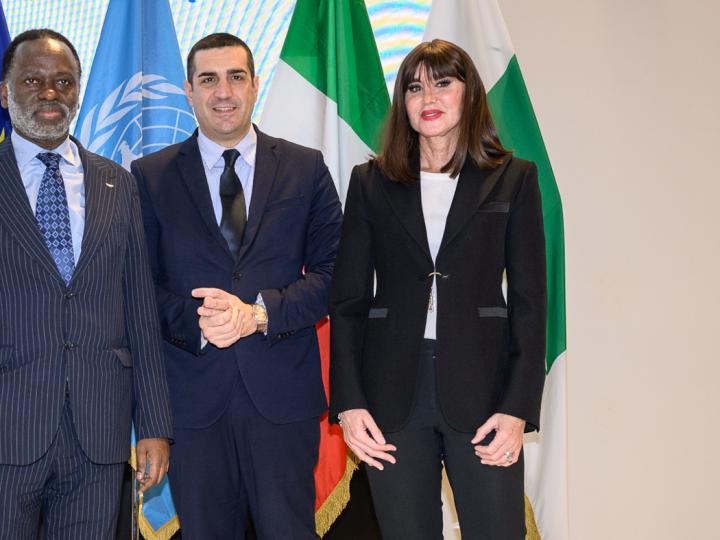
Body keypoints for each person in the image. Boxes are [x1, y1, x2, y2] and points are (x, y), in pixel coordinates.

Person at [0, 29, 172, 539]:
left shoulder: (118, 184)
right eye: (32, 80)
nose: (50, 92)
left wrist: (154, 425)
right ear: (5, 92)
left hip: (98, 434)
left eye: (64, 81)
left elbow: (141, 313)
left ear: (77, 91)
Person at [329, 39, 547, 539]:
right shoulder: (370, 181)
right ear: (402, 103)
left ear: (469, 94)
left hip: (486, 392)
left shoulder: (513, 178)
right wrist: (349, 403)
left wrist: (517, 407)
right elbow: (347, 303)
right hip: (390, 396)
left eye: (443, 83)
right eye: (414, 87)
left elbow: (531, 304)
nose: (428, 97)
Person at [131, 33, 342, 539]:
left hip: (281, 399)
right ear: (189, 90)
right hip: (193, 404)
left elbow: (335, 274)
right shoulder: (149, 176)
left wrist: (258, 314)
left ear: (254, 84)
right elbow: (137, 286)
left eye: (235, 77)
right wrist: (201, 323)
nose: (223, 91)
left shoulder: (305, 168)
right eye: (208, 79)